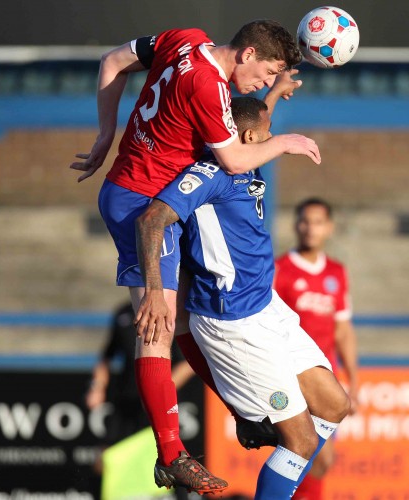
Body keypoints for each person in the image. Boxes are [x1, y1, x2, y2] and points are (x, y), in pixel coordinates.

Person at [70, 19, 320, 493]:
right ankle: (170, 454)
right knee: (157, 326)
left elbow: (113, 61)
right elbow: (234, 159)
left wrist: (107, 134)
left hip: (148, 191)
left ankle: (241, 416)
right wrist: (286, 142)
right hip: (143, 204)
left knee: (182, 322)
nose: (263, 83)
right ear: (247, 54)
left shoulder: (187, 39)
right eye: (265, 73)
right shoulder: (208, 86)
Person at [135, 96, 351, 498]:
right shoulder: (208, 175)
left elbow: (249, 122)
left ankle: (285, 468)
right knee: (300, 442)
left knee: (335, 405)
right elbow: (152, 219)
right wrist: (153, 289)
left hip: (266, 306)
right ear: (250, 137)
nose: (269, 141)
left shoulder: (244, 157)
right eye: (265, 136)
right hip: (234, 321)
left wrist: (275, 90)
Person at [274, 198, 359, 500]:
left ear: (329, 227)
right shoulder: (280, 270)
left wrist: (354, 381)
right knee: (315, 456)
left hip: (327, 379)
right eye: (305, 221)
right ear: (296, 224)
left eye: (318, 222)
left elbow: (343, 330)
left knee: (313, 459)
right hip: (295, 375)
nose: (311, 228)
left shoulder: (336, 272)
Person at [85, 303, 195, 499]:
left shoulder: (169, 312)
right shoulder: (123, 314)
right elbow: (106, 358)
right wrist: (97, 388)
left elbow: (187, 363)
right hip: (126, 403)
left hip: (158, 405)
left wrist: (157, 394)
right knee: (103, 461)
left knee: (172, 461)